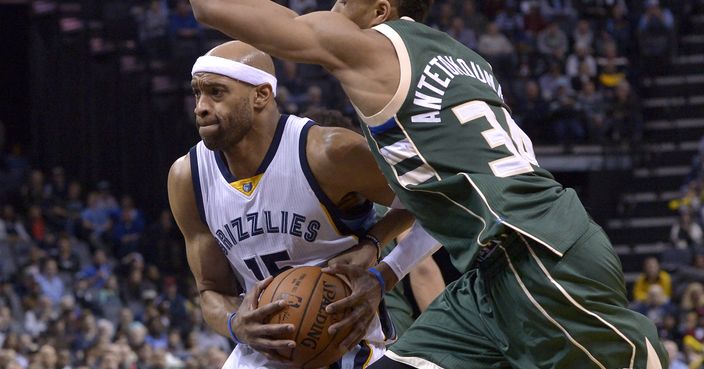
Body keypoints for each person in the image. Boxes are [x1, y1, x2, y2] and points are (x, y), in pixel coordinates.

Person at [187, 1, 668, 368]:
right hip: (492, 271)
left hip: (534, 253)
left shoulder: (370, 45)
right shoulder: (468, 60)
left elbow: (216, 9)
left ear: (381, 11)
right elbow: (451, 191)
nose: (332, 7)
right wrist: (383, 267)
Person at [167, 41, 439, 368]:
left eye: (216, 92)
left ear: (261, 95)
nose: (201, 106)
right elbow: (210, 290)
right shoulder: (187, 177)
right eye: (197, 93)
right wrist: (234, 323)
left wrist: (380, 262)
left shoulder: (328, 153)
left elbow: (442, 207)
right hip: (259, 356)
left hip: (348, 349)